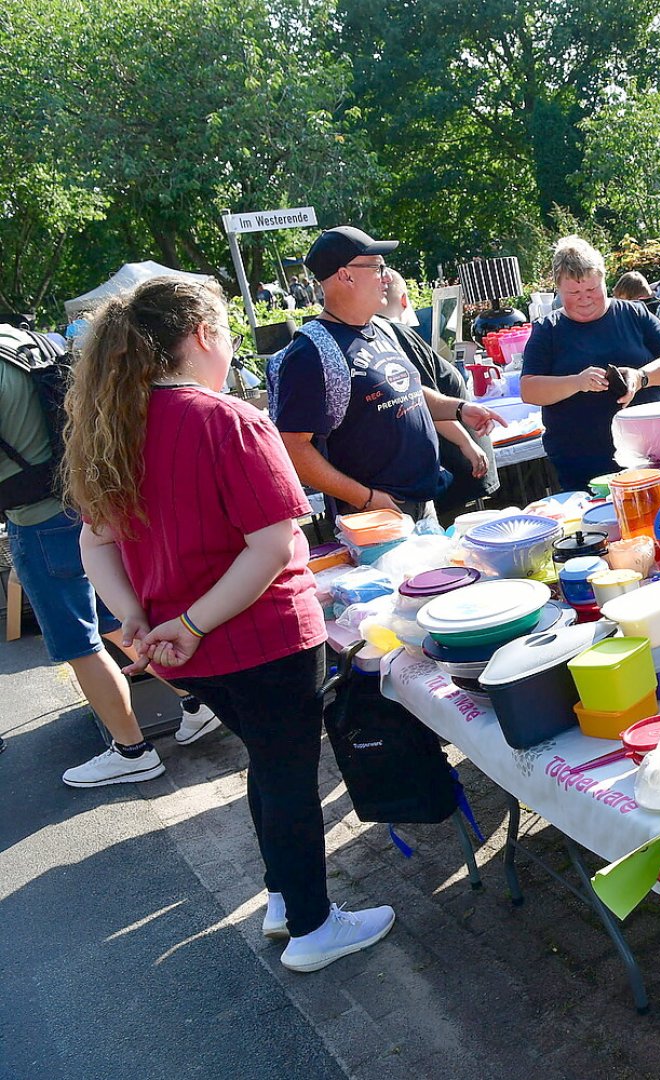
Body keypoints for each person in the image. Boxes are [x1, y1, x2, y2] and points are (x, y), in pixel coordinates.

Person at [66, 275, 395, 972]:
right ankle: (311, 926)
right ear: (203, 337)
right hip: (262, 639)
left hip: (187, 653)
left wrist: (140, 618)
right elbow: (273, 545)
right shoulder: (228, 420)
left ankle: (283, 897)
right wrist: (185, 620)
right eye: (227, 335)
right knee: (288, 778)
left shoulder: (115, 425)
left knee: (270, 768)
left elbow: (94, 543)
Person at [0, 325, 218, 789]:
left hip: (38, 521)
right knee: (116, 619)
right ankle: (199, 703)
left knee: (80, 644)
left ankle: (132, 750)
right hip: (89, 499)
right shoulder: (24, 340)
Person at [270, 226, 503, 521]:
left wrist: (459, 409)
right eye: (378, 267)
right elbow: (293, 446)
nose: (387, 277)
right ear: (345, 275)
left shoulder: (380, 327)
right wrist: (367, 499)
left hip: (422, 504)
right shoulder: (310, 352)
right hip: (374, 519)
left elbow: (407, 390)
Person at [520, 237, 660, 491]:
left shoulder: (634, 313)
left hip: (651, 455)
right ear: (558, 289)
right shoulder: (548, 330)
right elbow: (529, 390)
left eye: (592, 290)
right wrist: (577, 382)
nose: (584, 299)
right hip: (584, 463)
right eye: (574, 293)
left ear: (604, 280)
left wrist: (641, 377)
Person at [378, 268, 498, 524]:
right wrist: (467, 443)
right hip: (451, 466)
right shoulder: (399, 336)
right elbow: (422, 403)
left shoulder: (387, 337)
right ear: (404, 300)